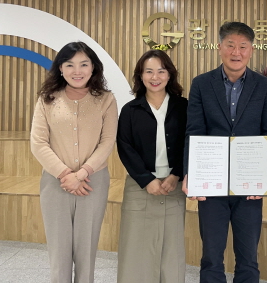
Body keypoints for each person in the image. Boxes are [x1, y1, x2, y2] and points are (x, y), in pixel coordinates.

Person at [183, 21, 267, 283]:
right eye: (230, 45)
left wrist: (260, 175)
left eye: (243, 46)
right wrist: (191, 173)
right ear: (219, 47)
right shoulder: (202, 84)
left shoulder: (264, 86)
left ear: (251, 50)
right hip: (211, 182)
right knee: (211, 256)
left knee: (248, 258)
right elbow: (194, 131)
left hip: (249, 184)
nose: (236, 52)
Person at [30, 41, 118, 283]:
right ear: (60, 68)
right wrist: (65, 174)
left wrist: (81, 174)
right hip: (55, 183)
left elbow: (107, 141)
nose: (77, 71)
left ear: (93, 68)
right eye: (69, 64)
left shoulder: (106, 99)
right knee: (58, 250)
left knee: (86, 249)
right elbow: (38, 143)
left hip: (93, 182)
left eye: (83, 64)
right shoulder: (47, 99)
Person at [116, 49, 188, 283]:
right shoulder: (130, 110)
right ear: (140, 75)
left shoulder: (184, 107)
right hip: (140, 188)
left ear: (170, 75)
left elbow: (190, 142)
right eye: (149, 71)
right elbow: (125, 147)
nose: (155, 77)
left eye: (161, 71)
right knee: (135, 252)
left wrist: (176, 174)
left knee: (171, 253)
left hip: (173, 187)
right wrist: (146, 179)